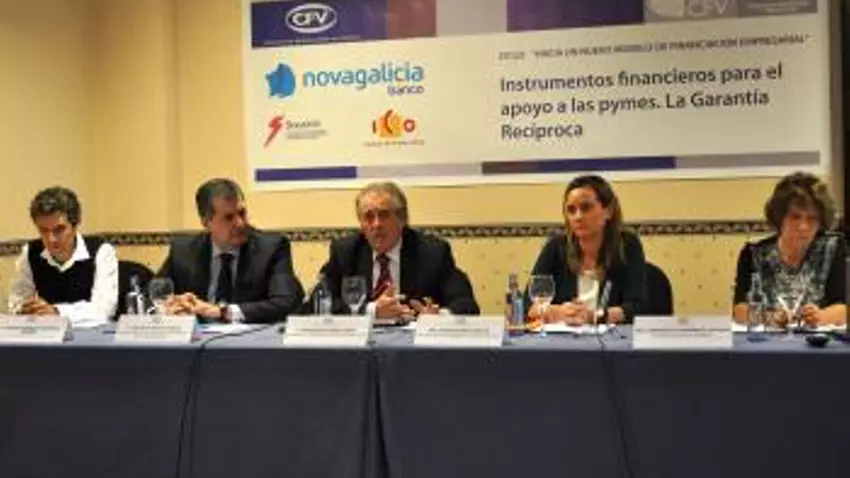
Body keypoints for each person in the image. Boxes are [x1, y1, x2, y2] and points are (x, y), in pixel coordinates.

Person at [318, 181, 479, 320]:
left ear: (402, 218)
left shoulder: (432, 252)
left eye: (384, 215)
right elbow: (317, 302)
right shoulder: (346, 252)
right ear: (361, 222)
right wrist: (372, 311)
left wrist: (439, 317)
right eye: (368, 217)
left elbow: (466, 304)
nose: (376, 224)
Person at [157, 178, 304, 323]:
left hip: (251, 337)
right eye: (229, 217)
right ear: (206, 222)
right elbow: (152, 295)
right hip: (197, 336)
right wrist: (170, 305)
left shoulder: (271, 248)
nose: (240, 223)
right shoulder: (183, 251)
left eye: (242, 213)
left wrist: (222, 312)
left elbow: (285, 303)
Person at [527, 175, 646, 325]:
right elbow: (528, 305)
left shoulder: (627, 245)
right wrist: (557, 311)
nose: (578, 217)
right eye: (571, 210)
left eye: (586, 208)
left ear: (608, 211)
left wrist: (594, 316)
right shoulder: (555, 247)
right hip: (562, 337)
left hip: (613, 338)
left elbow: (638, 307)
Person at [733, 172, 845, 326]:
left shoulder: (834, 248)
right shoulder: (753, 254)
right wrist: (770, 318)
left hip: (818, 338)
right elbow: (739, 311)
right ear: (780, 218)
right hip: (768, 338)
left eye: (812, 218)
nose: (803, 226)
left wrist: (821, 316)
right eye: (795, 217)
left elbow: (844, 306)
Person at [8, 186, 118, 327]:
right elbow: (16, 302)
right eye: (43, 230)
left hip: (92, 336)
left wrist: (57, 312)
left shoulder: (102, 251)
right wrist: (25, 310)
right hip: (47, 335)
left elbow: (103, 310)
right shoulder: (30, 253)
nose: (51, 239)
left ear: (75, 225)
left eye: (59, 230)